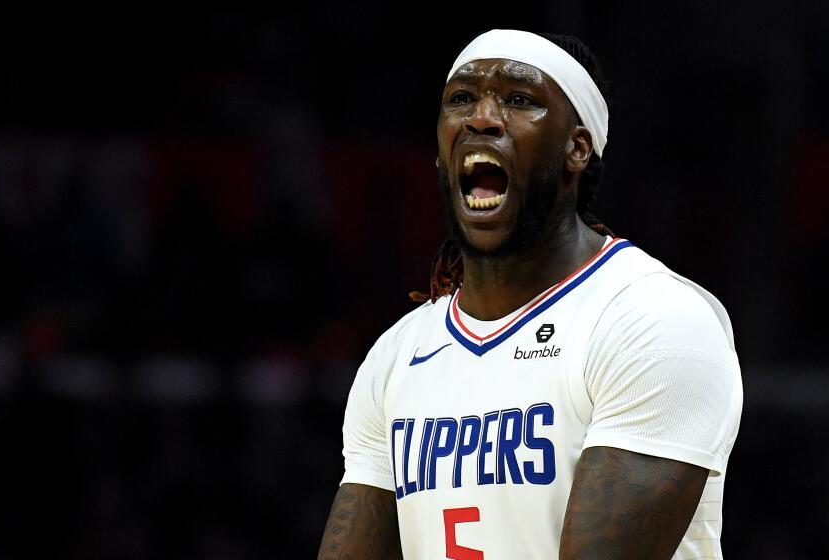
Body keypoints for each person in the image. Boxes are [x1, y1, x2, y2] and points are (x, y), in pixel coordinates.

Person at [318, 29, 742, 560]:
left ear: (577, 149)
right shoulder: (395, 357)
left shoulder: (653, 318)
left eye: (519, 100)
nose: (482, 117)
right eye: (461, 99)